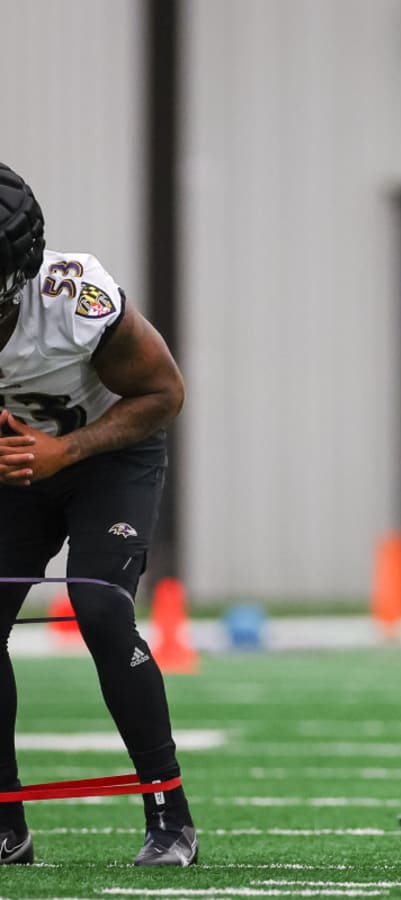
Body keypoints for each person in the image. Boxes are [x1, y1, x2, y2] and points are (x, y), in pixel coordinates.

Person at [0, 163, 197, 866]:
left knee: (101, 607)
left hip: (109, 455)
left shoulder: (74, 295)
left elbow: (163, 394)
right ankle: (5, 823)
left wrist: (67, 451)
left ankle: (169, 814)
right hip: (12, 464)